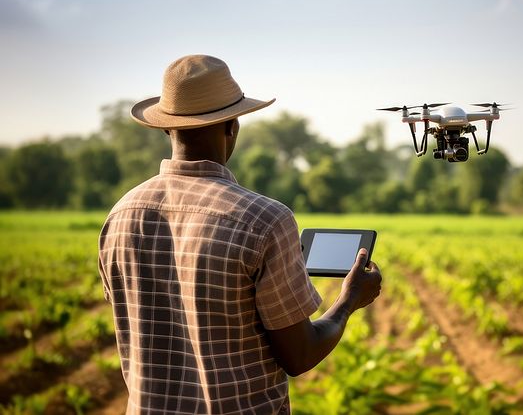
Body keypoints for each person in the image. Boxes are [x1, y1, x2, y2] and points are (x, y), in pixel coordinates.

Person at [98, 54, 382, 414]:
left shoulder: (121, 214)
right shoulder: (264, 220)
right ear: (232, 126)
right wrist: (348, 301)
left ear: (168, 128)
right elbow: (300, 355)